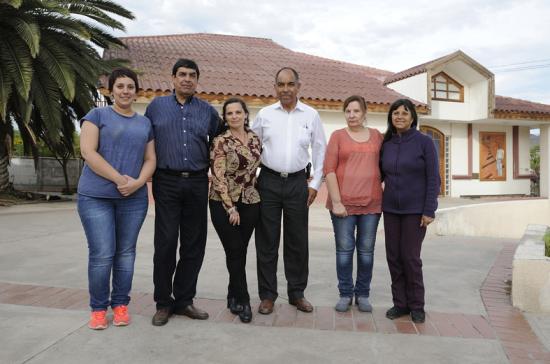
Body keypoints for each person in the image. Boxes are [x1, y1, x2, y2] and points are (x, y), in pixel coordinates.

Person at [77, 67, 156, 330]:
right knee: (102, 254)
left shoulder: (144, 123)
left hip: (133, 199)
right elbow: (88, 152)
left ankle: (120, 305)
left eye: (130, 87)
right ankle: (98, 309)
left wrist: (137, 182)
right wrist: (119, 179)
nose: (125, 91)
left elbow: (151, 159)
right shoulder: (96, 115)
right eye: (120, 86)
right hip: (96, 196)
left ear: (136, 92)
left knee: (125, 254)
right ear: (111, 91)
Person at [145, 59, 221, 326]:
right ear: (173, 78)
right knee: (165, 243)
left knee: (194, 244)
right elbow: (144, 140)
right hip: (166, 181)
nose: (187, 79)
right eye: (182, 74)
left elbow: (222, 142)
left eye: (192, 75)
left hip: (198, 183)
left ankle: (184, 300)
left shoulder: (208, 112)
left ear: (197, 80)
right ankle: (163, 303)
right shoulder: (156, 107)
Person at [251, 67, 327, 314]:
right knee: (267, 241)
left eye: (290, 84)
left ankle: (296, 293)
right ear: (275, 87)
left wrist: (315, 184)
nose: (286, 89)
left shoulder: (311, 115)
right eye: (281, 85)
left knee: (297, 241)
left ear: (298, 87)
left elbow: (319, 151)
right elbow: (252, 148)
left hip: (297, 183)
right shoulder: (264, 114)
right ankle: (268, 295)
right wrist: (249, 180)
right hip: (269, 182)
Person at [380, 98, 440, 324]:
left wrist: (429, 210)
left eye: (404, 113)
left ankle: (417, 305)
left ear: (412, 117)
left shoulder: (424, 142)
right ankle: (400, 304)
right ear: (391, 117)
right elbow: (379, 174)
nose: (400, 117)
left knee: (410, 257)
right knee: (393, 257)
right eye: (395, 113)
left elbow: (434, 178)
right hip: (391, 210)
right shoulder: (386, 144)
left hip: (416, 210)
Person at [323, 95, 383, 313]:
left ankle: (363, 294)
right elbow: (328, 169)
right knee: (345, 251)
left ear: (365, 113)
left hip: (371, 205)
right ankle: (345, 294)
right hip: (343, 206)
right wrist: (337, 202)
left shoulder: (377, 136)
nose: (352, 115)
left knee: (366, 252)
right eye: (348, 111)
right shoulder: (338, 136)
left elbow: (386, 165)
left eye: (356, 111)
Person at [209, 98, 262, 323]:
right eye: (229, 113)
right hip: (222, 202)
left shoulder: (255, 138)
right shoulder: (220, 141)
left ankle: (232, 295)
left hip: (250, 200)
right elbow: (218, 176)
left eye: (237, 112)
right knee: (234, 248)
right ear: (225, 117)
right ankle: (244, 300)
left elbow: (255, 170)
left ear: (245, 114)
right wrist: (230, 207)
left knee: (239, 251)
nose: (233, 116)